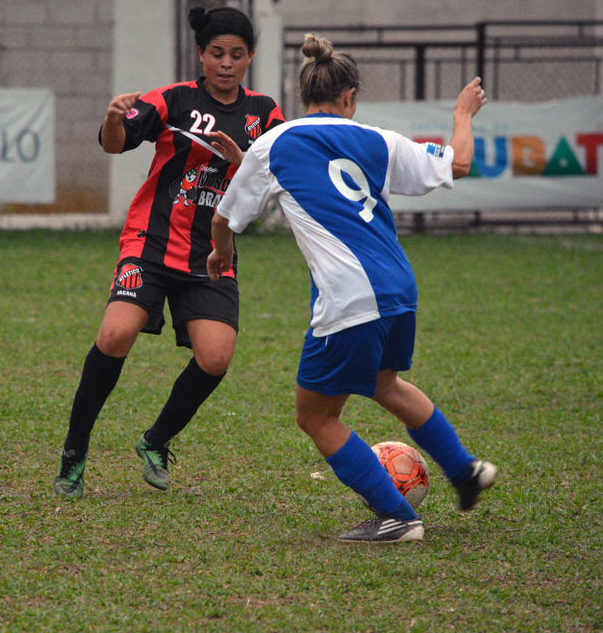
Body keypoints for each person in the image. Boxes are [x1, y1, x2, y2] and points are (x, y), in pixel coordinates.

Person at [207, 34, 496, 543]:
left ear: (305, 95)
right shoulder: (378, 140)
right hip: (398, 287)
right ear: (350, 98)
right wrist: (462, 114)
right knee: (385, 385)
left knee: (316, 415)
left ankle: (398, 516)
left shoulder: (274, 143)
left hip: (349, 296)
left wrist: (222, 255)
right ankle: (465, 470)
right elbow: (460, 163)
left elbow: (225, 217)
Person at [53, 6, 285, 498]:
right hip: (151, 242)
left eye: (237, 55)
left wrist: (245, 164)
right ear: (200, 54)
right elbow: (114, 146)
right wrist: (113, 119)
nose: (226, 63)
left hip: (212, 253)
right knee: (115, 334)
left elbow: (274, 185)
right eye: (217, 53)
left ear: (250, 58)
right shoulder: (172, 100)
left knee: (216, 358)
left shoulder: (265, 113)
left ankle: (155, 441)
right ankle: (75, 448)